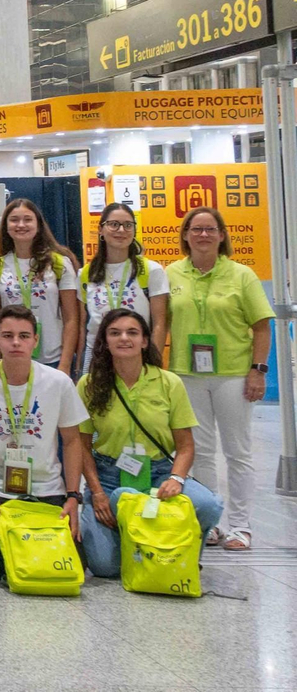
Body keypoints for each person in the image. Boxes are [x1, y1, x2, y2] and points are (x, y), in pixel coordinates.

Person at [77, 308, 224, 577]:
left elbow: (186, 446)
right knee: (104, 567)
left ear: (145, 341)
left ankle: (180, 550)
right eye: (115, 333)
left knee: (208, 505)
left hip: (159, 476)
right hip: (109, 478)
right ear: (105, 341)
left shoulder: (169, 383)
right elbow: (81, 447)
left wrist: (177, 479)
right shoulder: (88, 385)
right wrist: (97, 492)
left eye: (132, 332)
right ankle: (140, 538)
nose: (124, 338)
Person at [0, 306, 87, 582]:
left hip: (47, 489)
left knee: (69, 567)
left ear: (36, 341)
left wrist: (73, 496)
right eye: (8, 335)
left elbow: (72, 441)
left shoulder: (58, 382)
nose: (15, 343)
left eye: (24, 336)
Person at [166, 206, 273, 552]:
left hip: (232, 374)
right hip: (186, 373)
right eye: (195, 229)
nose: (202, 235)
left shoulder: (241, 275)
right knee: (201, 452)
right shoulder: (170, 275)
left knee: (238, 451)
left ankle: (241, 526)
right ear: (185, 235)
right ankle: (211, 523)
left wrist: (258, 370)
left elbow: (261, 326)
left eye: (210, 229)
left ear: (222, 235)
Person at [80, 202, 170, 374]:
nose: (121, 230)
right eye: (114, 224)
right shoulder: (85, 273)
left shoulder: (151, 270)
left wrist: (153, 364)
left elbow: (160, 323)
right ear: (100, 230)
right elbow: (83, 325)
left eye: (128, 225)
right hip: (97, 359)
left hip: (137, 357)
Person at [0, 197, 79, 375]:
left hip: (52, 358)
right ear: (6, 226)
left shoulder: (59, 263)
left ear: (38, 225)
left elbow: (71, 318)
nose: (21, 225)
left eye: (28, 219)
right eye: (14, 220)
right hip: (12, 356)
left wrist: (65, 363)